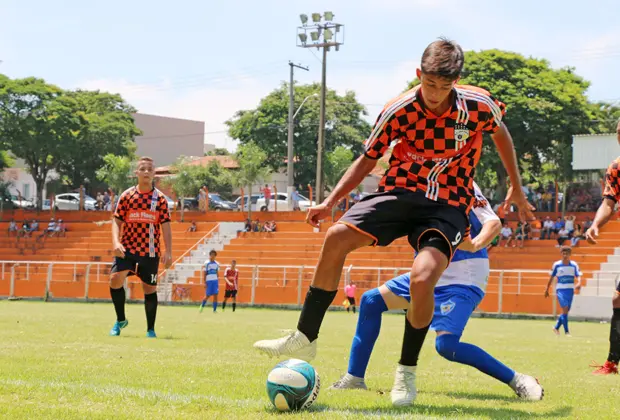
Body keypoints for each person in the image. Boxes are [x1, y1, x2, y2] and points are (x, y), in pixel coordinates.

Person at [253, 39, 533, 395]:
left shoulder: (477, 105)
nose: (435, 94)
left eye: (444, 86)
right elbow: (368, 158)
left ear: (457, 81)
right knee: (336, 237)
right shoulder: (398, 110)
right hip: (400, 192)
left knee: (422, 279)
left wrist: (517, 187)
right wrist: (329, 202)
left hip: (448, 204)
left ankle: (406, 372)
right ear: (419, 75)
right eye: (430, 84)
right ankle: (304, 337)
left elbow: (501, 133)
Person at [329, 190, 543, 403]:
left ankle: (518, 380)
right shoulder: (412, 179)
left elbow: (493, 222)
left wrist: (475, 244)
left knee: (446, 346)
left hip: (462, 275)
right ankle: (354, 377)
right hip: (429, 273)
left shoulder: (462, 179)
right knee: (371, 301)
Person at [108, 156, 172, 339]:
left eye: (149, 169)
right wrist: (115, 242)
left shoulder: (160, 200)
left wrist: (169, 252)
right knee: (114, 280)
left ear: (154, 173)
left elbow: (166, 227)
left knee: (149, 289)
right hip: (127, 249)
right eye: (142, 169)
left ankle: (150, 329)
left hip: (149, 252)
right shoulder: (127, 196)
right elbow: (116, 221)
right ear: (136, 173)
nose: (146, 172)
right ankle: (120, 320)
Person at [585, 118, 620, 375]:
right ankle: (612, 362)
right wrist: (596, 224)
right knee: (618, 299)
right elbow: (609, 202)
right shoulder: (616, 167)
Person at [544, 247, 582, 337]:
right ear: (561, 254)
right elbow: (551, 277)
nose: (565, 256)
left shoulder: (574, 265)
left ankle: (556, 327)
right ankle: (567, 332)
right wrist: (547, 289)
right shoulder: (557, 265)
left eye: (567, 254)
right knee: (565, 309)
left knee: (566, 311)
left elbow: (578, 275)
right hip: (560, 290)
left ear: (570, 254)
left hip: (570, 290)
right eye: (563, 254)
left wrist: (579, 283)